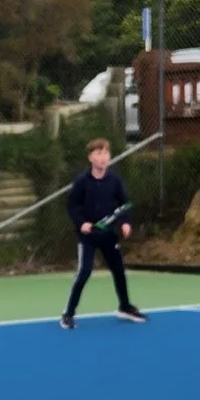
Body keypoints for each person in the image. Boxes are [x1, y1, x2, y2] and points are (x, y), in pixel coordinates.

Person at [62, 137, 146, 328]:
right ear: (90, 157)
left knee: (119, 271)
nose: (103, 157)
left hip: (109, 235)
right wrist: (82, 223)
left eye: (106, 153)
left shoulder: (115, 180)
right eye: (98, 153)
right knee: (84, 273)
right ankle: (68, 313)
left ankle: (125, 307)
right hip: (88, 237)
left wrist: (125, 223)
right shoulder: (82, 181)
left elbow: (124, 204)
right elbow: (72, 206)